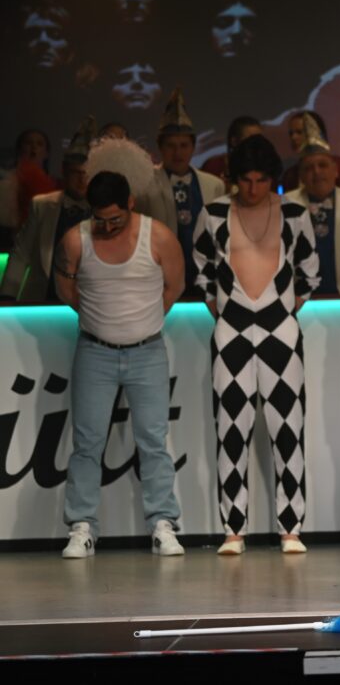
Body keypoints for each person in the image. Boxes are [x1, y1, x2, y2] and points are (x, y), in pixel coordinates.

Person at [193, 134, 320, 554]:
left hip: (280, 327)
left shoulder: (294, 214)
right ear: (234, 179)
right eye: (245, 180)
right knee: (230, 428)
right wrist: (225, 310)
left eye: (261, 180)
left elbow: (309, 271)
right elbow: (202, 270)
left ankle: (291, 528)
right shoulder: (214, 213)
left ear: (272, 179)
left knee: (290, 429)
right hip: (231, 328)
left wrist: (281, 310)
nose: (252, 188)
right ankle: (233, 529)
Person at [53, 163, 185, 558]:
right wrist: (102, 321)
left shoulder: (158, 236)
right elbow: (66, 290)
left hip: (148, 351)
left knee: (153, 441)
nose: (108, 227)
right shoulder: (75, 240)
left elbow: (174, 287)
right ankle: (81, 526)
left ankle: (162, 523)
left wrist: (142, 322)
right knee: (87, 443)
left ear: (130, 203)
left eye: (115, 219)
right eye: (100, 220)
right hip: (95, 352)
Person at [139, 88, 225, 293]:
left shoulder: (213, 185)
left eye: (184, 145)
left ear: (193, 147)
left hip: (204, 278)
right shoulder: (144, 186)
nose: (178, 152)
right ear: (160, 147)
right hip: (159, 279)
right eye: (171, 146)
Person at [1, 119, 93, 302]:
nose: (82, 180)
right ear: (64, 171)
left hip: (89, 300)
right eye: (76, 173)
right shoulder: (42, 205)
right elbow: (21, 253)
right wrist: (7, 296)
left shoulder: (103, 210)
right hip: (43, 298)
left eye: (87, 174)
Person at [285, 113, 340, 297]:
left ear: (335, 170)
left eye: (322, 165)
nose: (317, 172)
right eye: (309, 168)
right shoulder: (285, 206)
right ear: (301, 176)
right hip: (299, 300)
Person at [281, 110, 340, 193]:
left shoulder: (339, 165)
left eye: (299, 132)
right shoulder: (290, 175)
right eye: (291, 133)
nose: (293, 137)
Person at [201, 116, 262, 182]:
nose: (257, 144)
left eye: (259, 139)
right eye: (250, 139)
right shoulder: (213, 166)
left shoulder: (264, 167)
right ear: (234, 142)